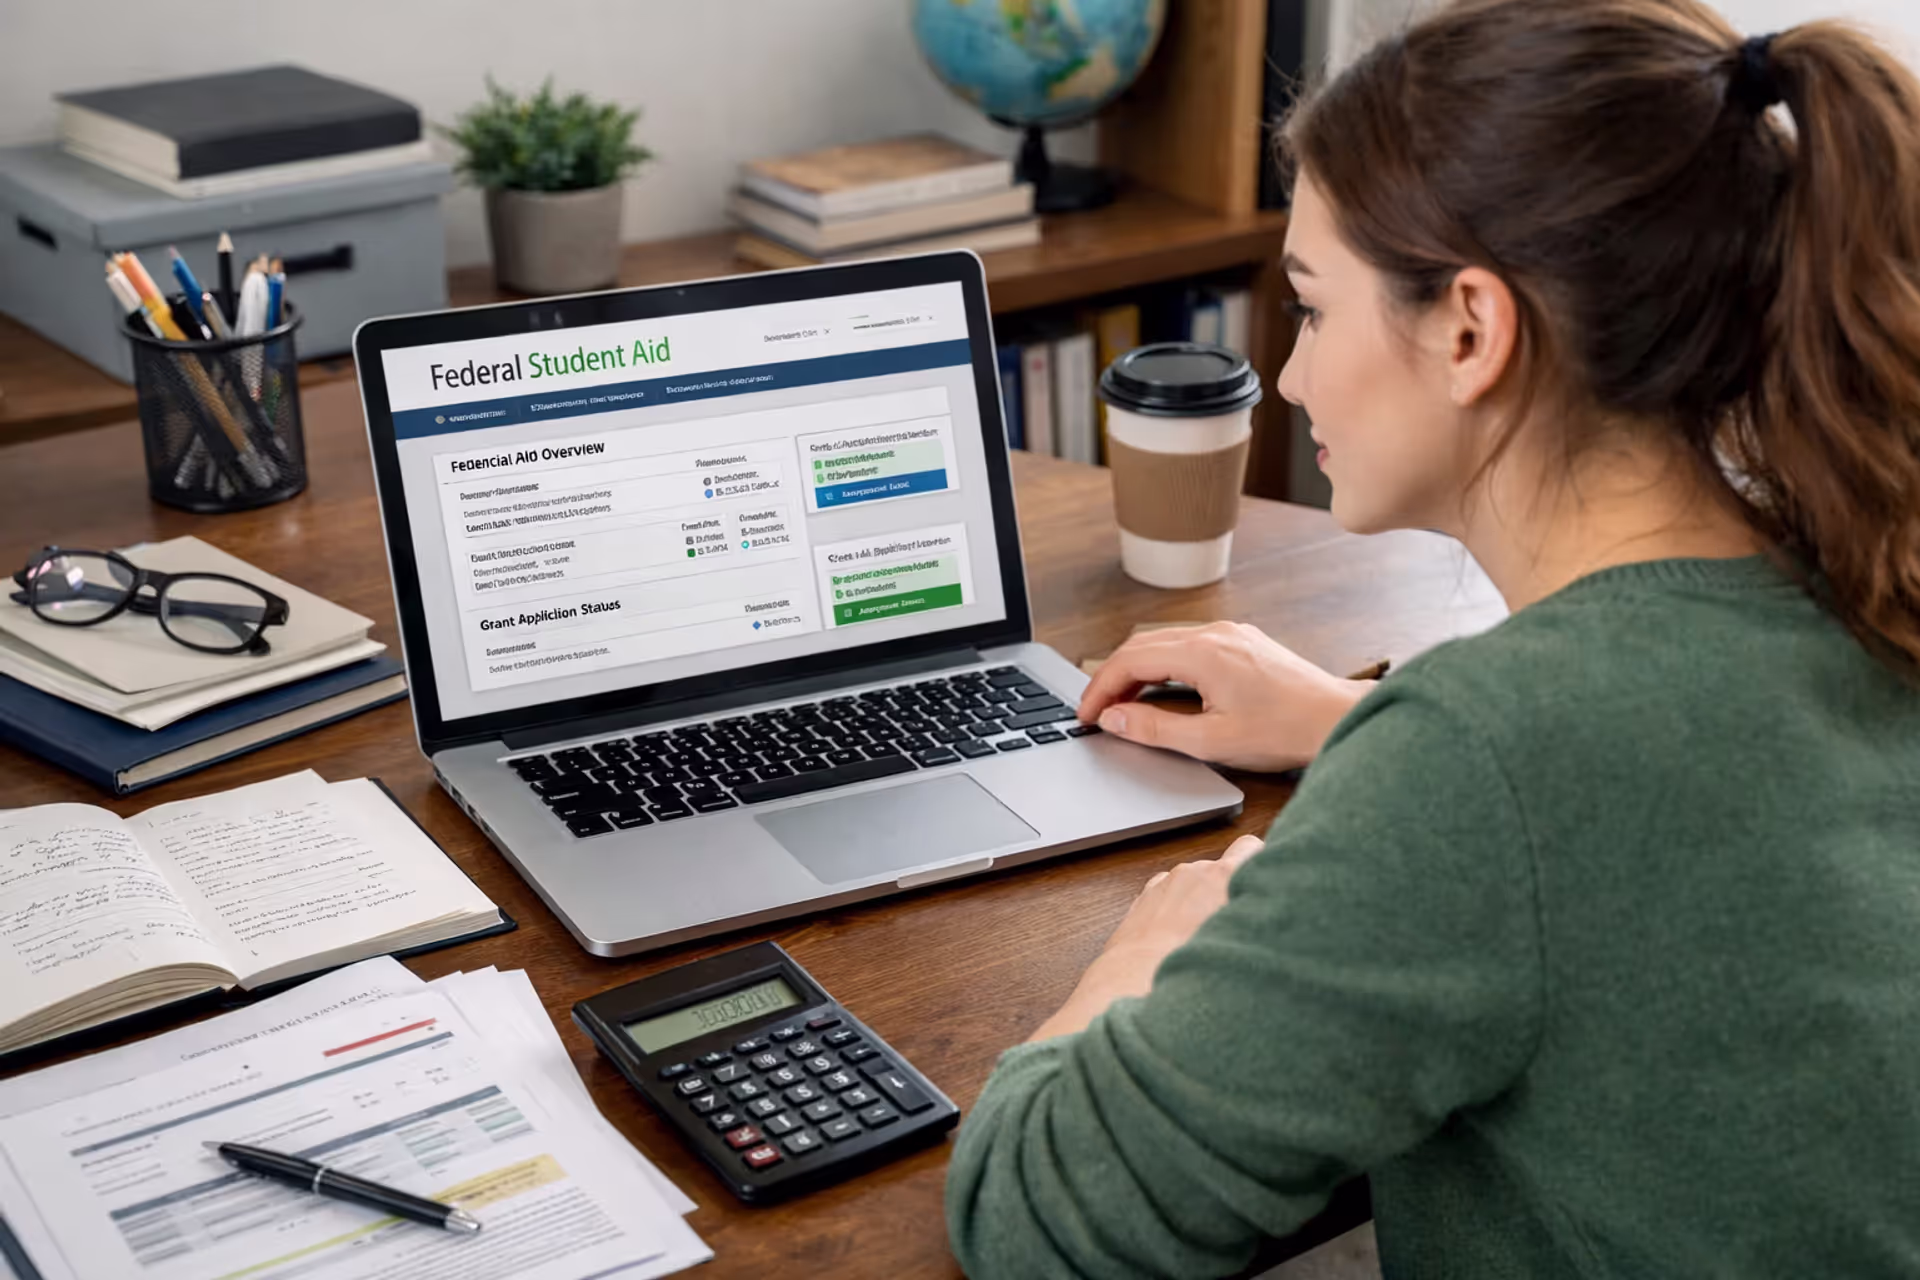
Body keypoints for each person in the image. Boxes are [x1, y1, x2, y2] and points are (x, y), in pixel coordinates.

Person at [944, 0, 1920, 1275]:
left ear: (1470, 329)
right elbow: (1691, 802)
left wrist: (1150, 952)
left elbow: (1033, 1219)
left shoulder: (1487, 753)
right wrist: (1353, 723)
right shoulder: (1862, 580)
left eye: (1313, 310)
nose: (1290, 379)